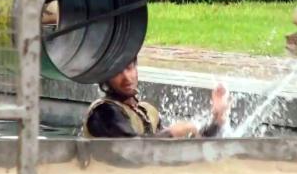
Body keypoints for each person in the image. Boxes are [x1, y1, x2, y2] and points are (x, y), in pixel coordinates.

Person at [83, 59, 230, 138]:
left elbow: (171, 152)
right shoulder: (103, 113)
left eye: (129, 68)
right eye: (117, 72)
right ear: (106, 78)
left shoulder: (147, 111)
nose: (127, 78)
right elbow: (133, 150)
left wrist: (217, 119)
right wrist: (171, 133)